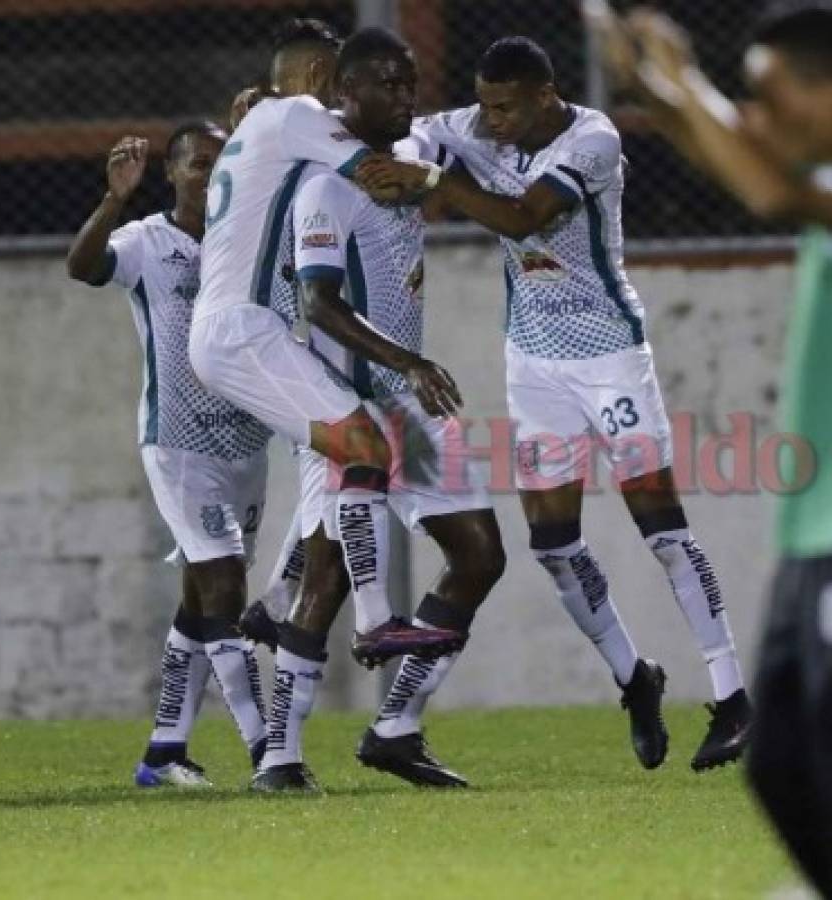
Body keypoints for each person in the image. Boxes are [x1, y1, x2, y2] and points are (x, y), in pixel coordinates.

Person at [587, 2, 832, 896]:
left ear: (827, 90)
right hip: (824, 534)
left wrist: (686, 82)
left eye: (766, 97)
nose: (755, 120)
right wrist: (654, 90)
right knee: (782, 762)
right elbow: (745, 163)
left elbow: (761, 185)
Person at [364, 35, 751, 773]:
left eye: (506, 106)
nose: (491, 121)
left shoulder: (592, 138)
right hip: (533, 365)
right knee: (553, 547)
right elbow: (413, 137)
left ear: (545, 95)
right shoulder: (473, 126)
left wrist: (431, 183)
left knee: (663, 532)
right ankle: (635, 677)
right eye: (484, 105)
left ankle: (732, 698)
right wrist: (401, 156)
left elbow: (524, 219)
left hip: (609, 358)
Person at [185, 16, 468, 737]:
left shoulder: (263, 124)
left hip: (253, 334)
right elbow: (379, 172)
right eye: (339, 84)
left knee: (341, 475)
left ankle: (282, 648)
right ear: (319, 80)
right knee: (365, 448)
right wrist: (433, 178)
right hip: (246, 330)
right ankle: (374, 622)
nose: (345, 102)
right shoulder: (298, 115)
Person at [256, 26, 506, 792]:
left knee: (480, 555)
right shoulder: (326, 188)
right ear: (345, 95)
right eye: (387, 85)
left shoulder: (403, 168)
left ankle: (395, 726)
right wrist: (408, 360)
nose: (405, 96)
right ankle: (279, 757)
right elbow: (318, 302)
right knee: (325, 580)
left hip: (410, 405)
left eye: (409, 84)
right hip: (350, 407)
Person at [67, 122, 271, 787]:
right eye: (200, 164)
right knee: (225, 585)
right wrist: (111, 200)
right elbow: (84, 267)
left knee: (200, 595)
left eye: (223, 163)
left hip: (245, 442)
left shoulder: (250, 243)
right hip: (179, 443)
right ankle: (267, 749)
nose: (212, 176)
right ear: (174, 173)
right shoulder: (147, 241)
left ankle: (163, 751)